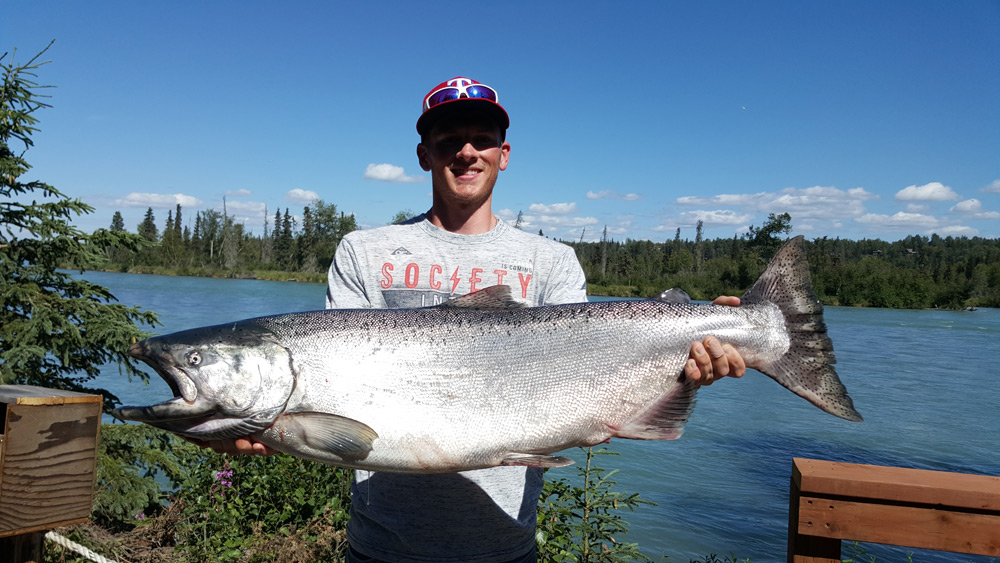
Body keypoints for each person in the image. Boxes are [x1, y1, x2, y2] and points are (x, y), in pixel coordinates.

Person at [199, 76, 745, 562]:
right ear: (424, 154)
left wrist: (686, 355)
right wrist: (254, 424)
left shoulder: (551, 261)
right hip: (381, 544)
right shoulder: (363, 251)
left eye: (481, 139)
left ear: (503, 154)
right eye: (448, 140)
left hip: (505, 545)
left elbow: (592, 394)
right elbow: (328, 403)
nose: (466, 152)